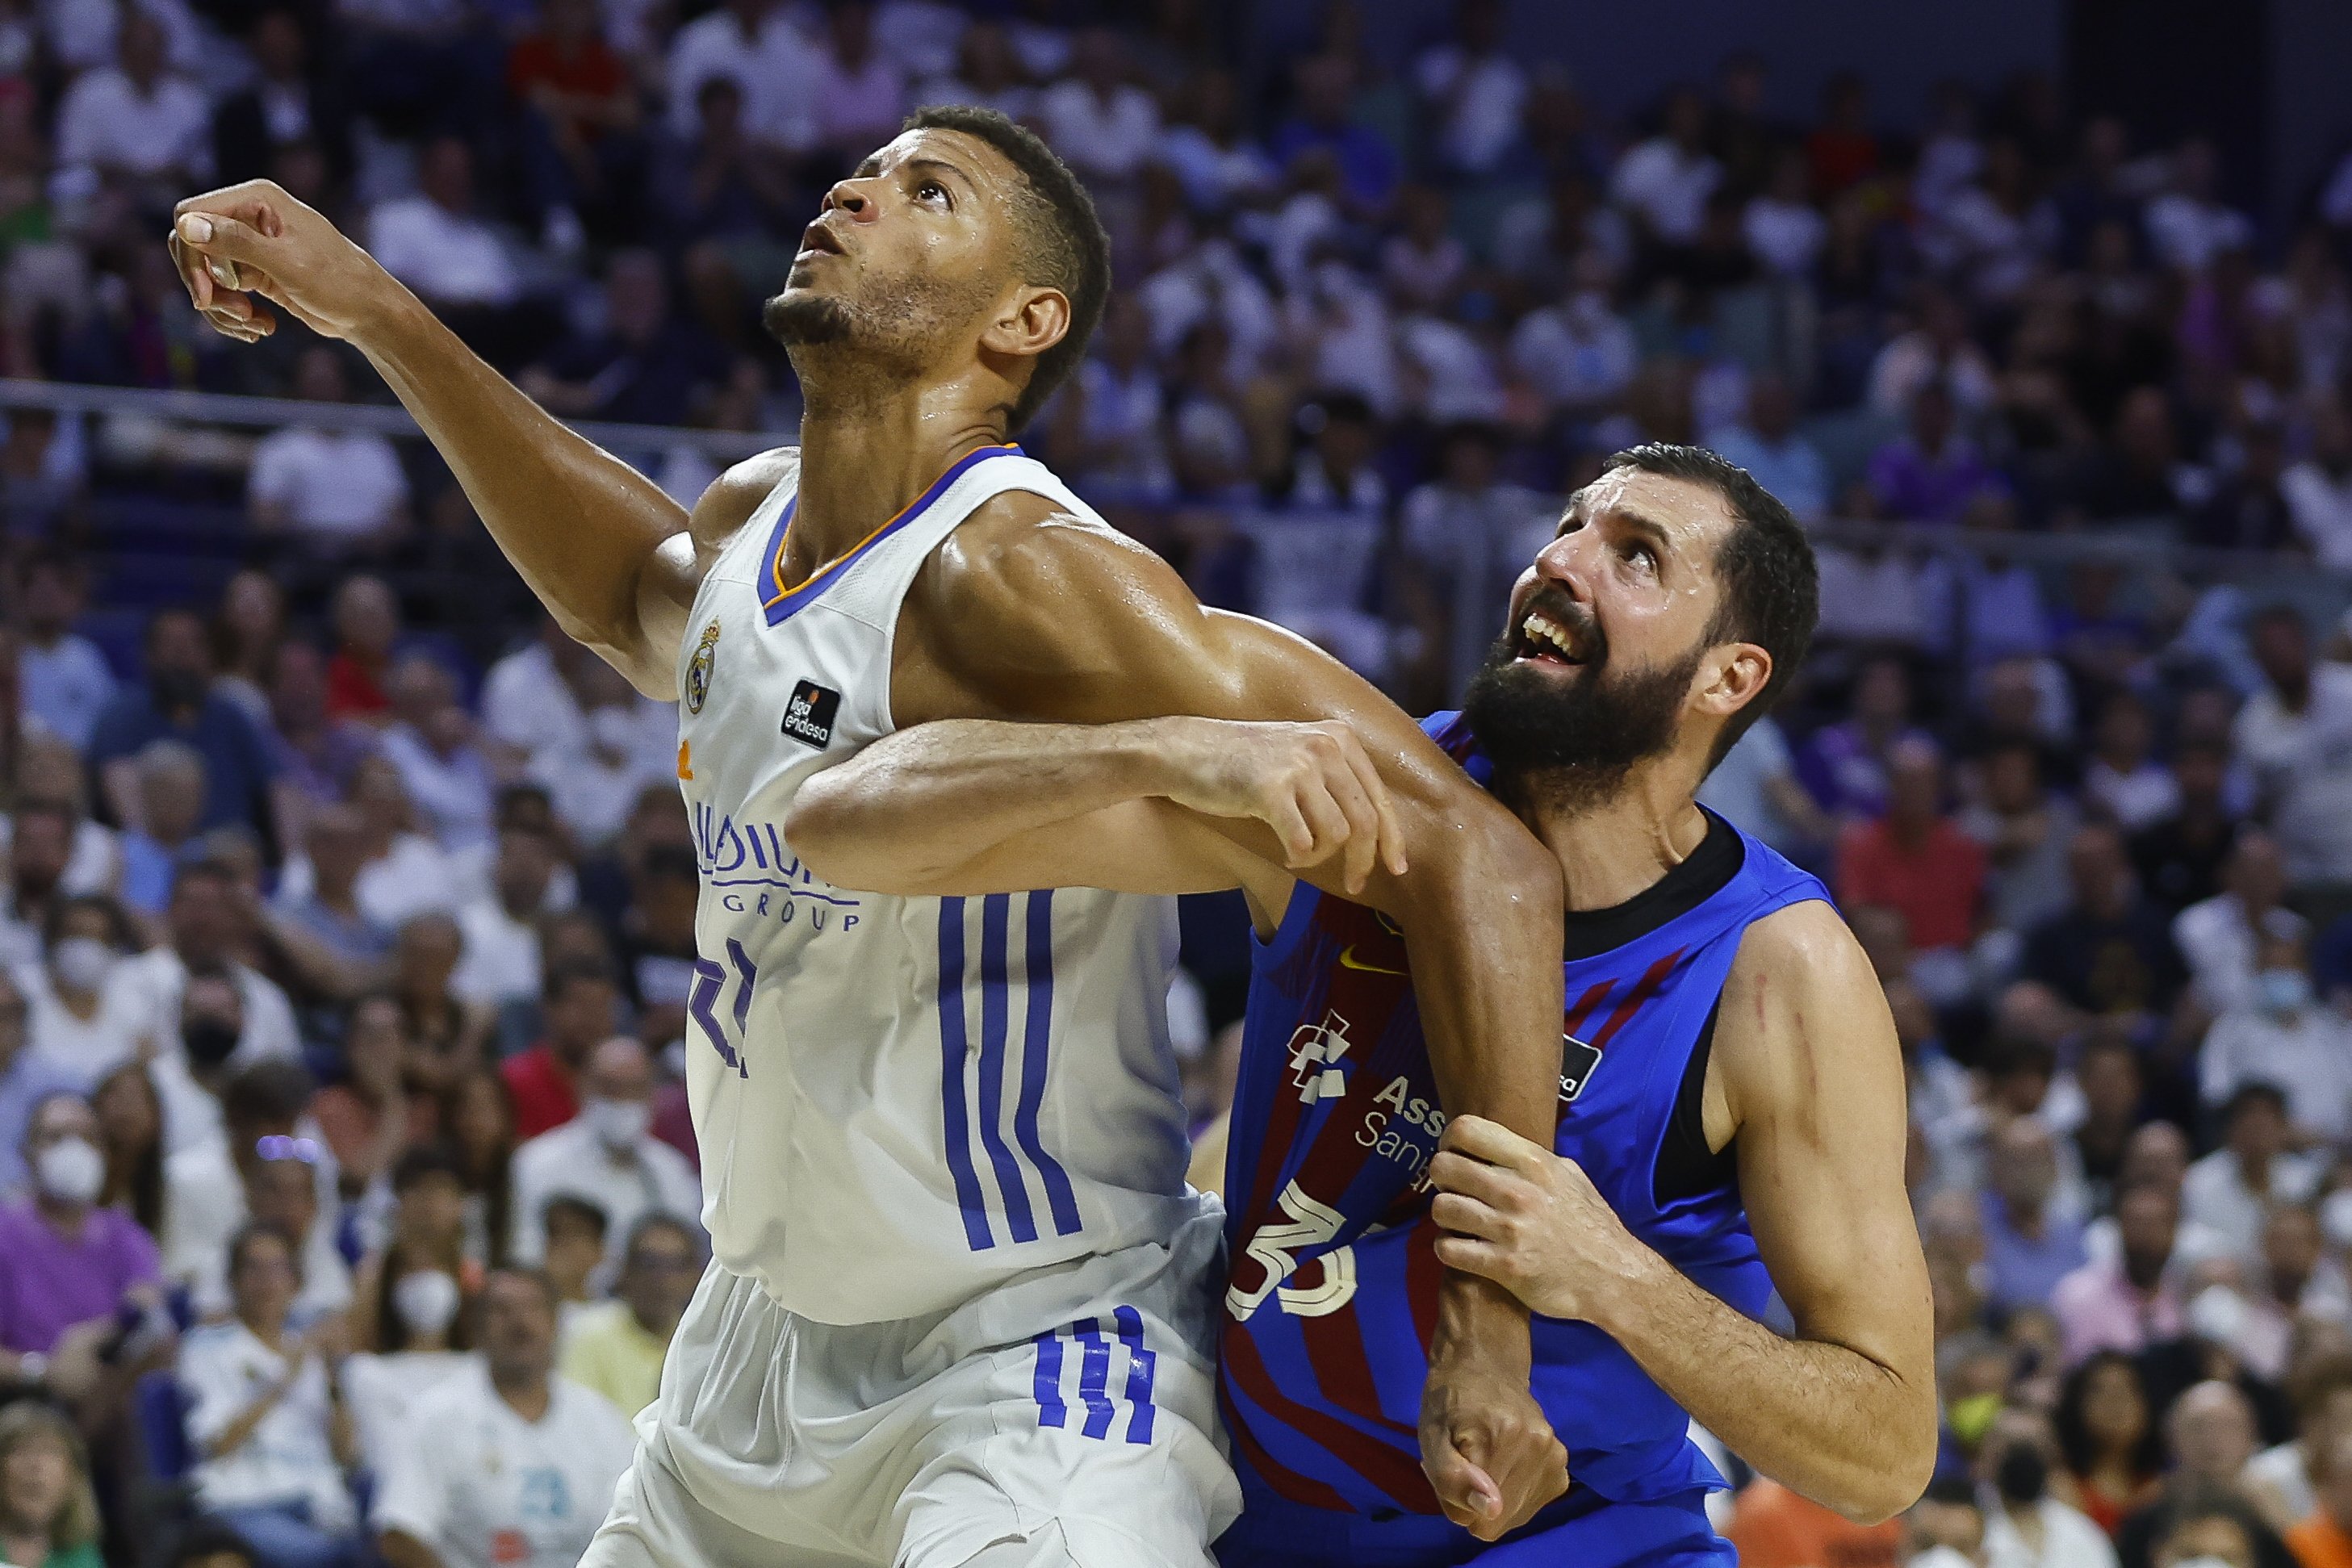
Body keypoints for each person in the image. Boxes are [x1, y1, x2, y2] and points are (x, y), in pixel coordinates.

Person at [172, 101, 1577, 1561]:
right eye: (862, 171)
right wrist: (377, 309)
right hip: (752, 1348)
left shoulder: (1035, 577)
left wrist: (1489, 1316)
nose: (856, 189)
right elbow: (628, 603)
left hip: (1025, 1352)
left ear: (1022, 320)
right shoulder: (751, 521)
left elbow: (1482, 859)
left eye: (928, 192)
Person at [788, 445, 1940, 1558]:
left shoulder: (1773, 973)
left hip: (1574, 1537)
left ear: (1725, 676)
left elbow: (1883, 1449)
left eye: (1636, 555)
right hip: (1249, 1515)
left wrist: (1612, 1274)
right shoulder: (1355, 796)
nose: (1564, 559)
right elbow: (845, 827)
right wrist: (1163, 747)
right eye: (1568, 525)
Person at [375, 1269, 638, 1568]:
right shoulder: (437, 1416)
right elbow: (399, 1534)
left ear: (555, 1323)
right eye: (502, 1310)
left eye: (533, 1308)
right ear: (478, 1327)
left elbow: (630, 1525)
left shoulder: (599, 1419)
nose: (520, 1323)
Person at [177, 1225, 360, 1568]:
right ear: (232, 1280)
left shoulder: (311, 1353)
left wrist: (335, 1382)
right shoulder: (204, 1347)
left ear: (296, 1282)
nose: (267, 1281)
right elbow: (217, 1444)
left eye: (279, 1269)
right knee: (329, 1558)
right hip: (244, 1503)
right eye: (254, 1269)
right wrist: (283, 1378)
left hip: (320, 1504)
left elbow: (345, 1455)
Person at [0, 1093, 166, 1388]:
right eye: (55, 1137)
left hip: (107, 1390)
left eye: (87, 1138)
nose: (73, 1149)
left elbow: (147, 1310)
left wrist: (96, 1337)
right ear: (27, 1151)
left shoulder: (125, 1236)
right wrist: (42, 1371)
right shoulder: (7, 1234)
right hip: (21, 1398)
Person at [507, 1035, 699, 1268]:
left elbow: (687, 1256)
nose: (622, 1100)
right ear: (583, 1086)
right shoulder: (535, 1163)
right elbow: (525, 1253)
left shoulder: (671, 1170)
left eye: (634, 1089)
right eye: (610, 1087)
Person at [559, 1213, 700, 1418]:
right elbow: (579, 1422)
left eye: (676, 1265)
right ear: (625, 1270)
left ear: (695, 1276)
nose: (661, 1277)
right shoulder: (588, 1333)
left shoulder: (702, 1342)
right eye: (649, 1262)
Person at [2053, 1352, 2163, 1537]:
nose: (2114, 1404)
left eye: (2126, 1392)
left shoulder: (2163, 1489)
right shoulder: (2061, 1487)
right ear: (2077, 1405)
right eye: (2099, 1392)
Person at [0, 1401, 105, 1568]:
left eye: (51, 1451)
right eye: (19, 1450)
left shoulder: (82, 1558)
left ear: (72, 1478)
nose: (36, 1466)